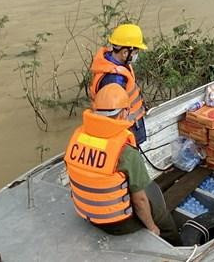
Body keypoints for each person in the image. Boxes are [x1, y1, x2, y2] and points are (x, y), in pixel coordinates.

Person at [64, 83, 179, 243]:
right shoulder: (125, 152)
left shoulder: (78, 137)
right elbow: (140, 202)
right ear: (124, 112)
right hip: (118, 224)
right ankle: (176, 244)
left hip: (87, 215)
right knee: (154, 199)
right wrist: (152, 227)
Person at [89, 24, 148, 144]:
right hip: (126, 130)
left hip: (132, 123)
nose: (137, 55)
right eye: (136, 51)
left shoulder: (115, 63)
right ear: (125, 52)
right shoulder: (114, 80)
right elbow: (113, 117)